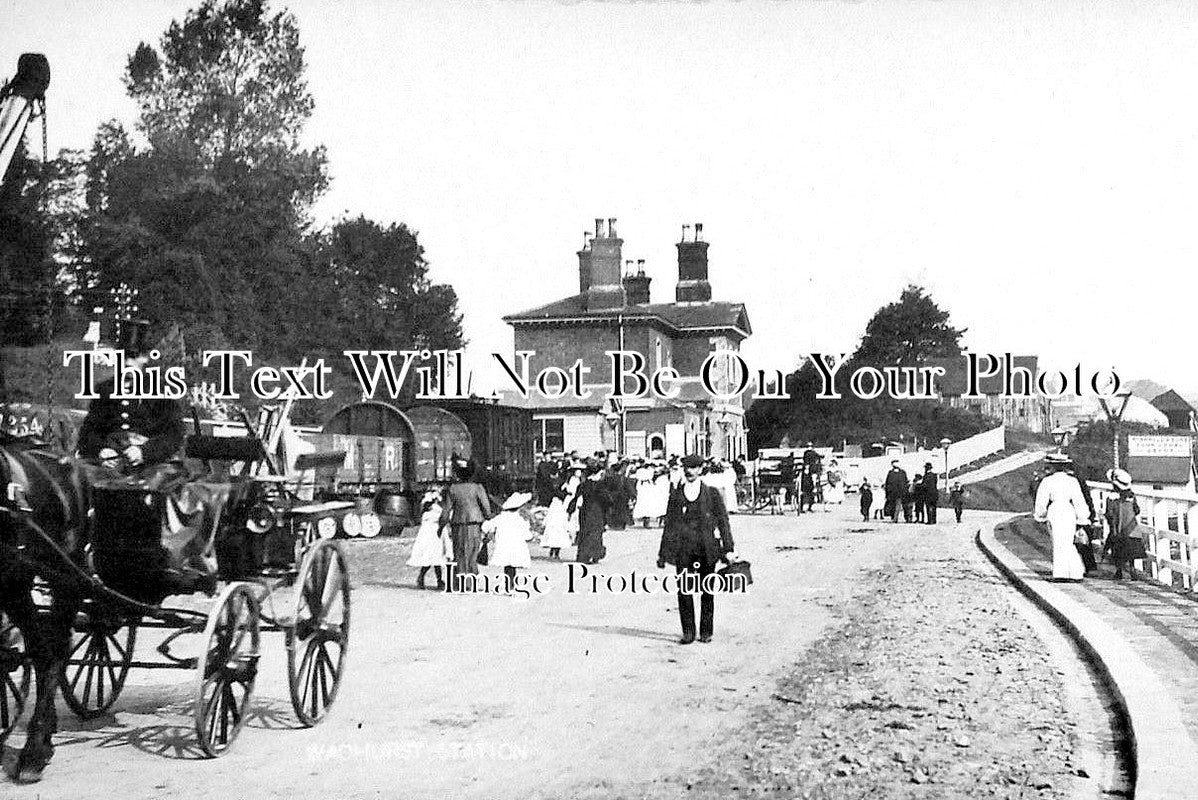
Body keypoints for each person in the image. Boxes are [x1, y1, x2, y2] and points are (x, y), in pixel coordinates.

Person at [657, 453, 736, 645]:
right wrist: (663, 553)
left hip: (706, 548)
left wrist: (729, 548)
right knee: (684, 591)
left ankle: (706, 631)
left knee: (707, 590)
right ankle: (688, 632)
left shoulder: (711, 493)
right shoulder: (676, 495)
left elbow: (723, 521)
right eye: (686, 468)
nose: (689, 471)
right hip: (683, 549)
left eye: (693, 467)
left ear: (700, 470)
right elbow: (669, 525)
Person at [1032, 453, 1088, 581]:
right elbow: (1079, 500)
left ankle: (1061, 573)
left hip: (1055, 511)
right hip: (1069, 511)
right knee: (1068, 542)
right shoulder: (1072, 481)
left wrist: (1041, 515)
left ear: (1052, 466)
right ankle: (1075, 572)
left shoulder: (1047, 481)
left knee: (1058, 542)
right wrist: (1082, 517)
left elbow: (1041, 501)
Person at [441, 460, 492, 590]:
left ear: (458, 474)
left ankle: (459, 582)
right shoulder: (478, 488)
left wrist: (441, 526)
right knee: (472, 553)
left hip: (458, 524)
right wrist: (488, 519)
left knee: (459, 553)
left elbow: (446, 511)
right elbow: (486, 508)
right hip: (474, 524)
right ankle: (470, 582)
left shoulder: (453, 489)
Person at [484, 492, 534, 594]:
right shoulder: (520, 519)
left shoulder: (500, 517)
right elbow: (528, 536)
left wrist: (491, 532)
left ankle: (508, 585)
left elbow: (486, 526)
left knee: (507, 567)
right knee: (512, 567)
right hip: (516, 547)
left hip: (504, 546)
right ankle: (511, 586)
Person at [1103, 469, 1145, 580]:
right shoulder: (1131, 496)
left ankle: (1119, 571)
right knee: (1131, 551)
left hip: (1118, 527)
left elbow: (1109, 513)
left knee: (1118, 549)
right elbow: (1137, 510)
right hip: (1132, 527)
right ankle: (1132, 569)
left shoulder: (1111, 498)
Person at [569, 461, 611, 564]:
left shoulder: (583, 485)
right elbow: (608, 500)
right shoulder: (600, 485)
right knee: (596, 533)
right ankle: (595, 554)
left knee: (585, 533)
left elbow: (576, 498)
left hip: (585, 510)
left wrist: (570, 510)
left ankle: (584, 556)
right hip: (597, 511)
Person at [408, 489, 450, 590]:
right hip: (433, 535)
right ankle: (430, 579)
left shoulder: (427, 513)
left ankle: (432, 580)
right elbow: (443, 518)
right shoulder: (434, 511)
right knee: (433, 557)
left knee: (435, 558)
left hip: (431, 535)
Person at [539, 478, 572, 559]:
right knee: (557, 536)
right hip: (557, 522)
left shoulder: (555, 502)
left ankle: (553, 552)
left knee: (555, 536)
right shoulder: (559, 503)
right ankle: (555, 553)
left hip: (554, 522)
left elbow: (550, 513)